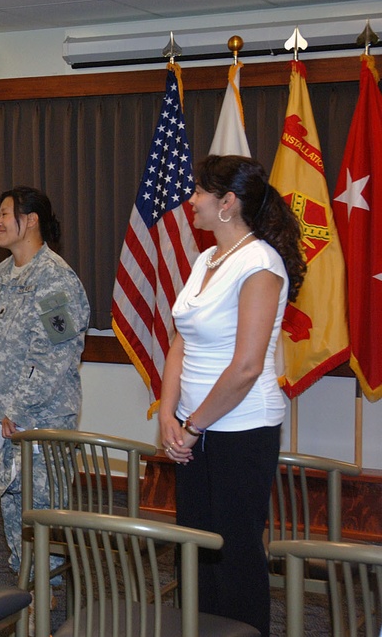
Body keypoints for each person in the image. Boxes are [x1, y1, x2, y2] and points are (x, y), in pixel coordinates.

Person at [159, 155, 306, 637]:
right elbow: (181, 338)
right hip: (192, 428)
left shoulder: (260, 261)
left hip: (240, 431)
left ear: (228, 203)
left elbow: (245, 367)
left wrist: (193, 426)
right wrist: (167, 414)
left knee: (234, 556)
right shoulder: (207, 258)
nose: (192, 200)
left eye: (201, 191)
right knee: (195, 552)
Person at [0, 186, 89, 576]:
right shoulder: (3, 273)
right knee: (10, 499)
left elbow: (55, 354)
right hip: (0, 416)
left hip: (40, 417)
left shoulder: (54, 278)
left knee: (42, 503)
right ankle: (24, 577)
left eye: (6, 213)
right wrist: (0, 411)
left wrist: (19, 408)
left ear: (31, 220)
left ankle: (48, 586)